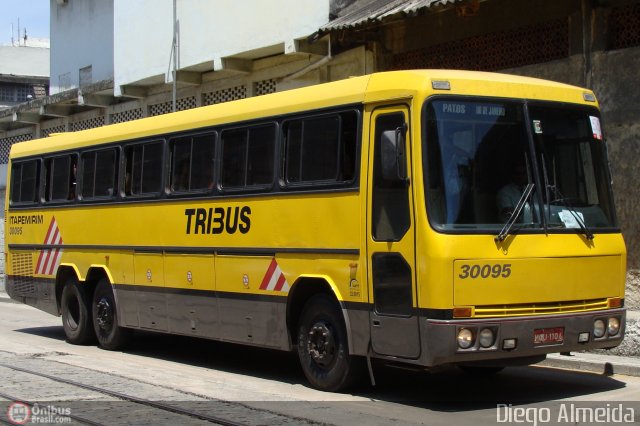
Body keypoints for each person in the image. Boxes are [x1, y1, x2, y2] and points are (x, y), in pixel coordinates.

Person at [496, 157, 532, 223]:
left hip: (535, 229)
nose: (520, 177)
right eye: (518, 174)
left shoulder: (530, 190)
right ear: (512, 175)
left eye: (523, 173)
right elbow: (510, 214)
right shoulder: (504, 192)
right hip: (511, 229)